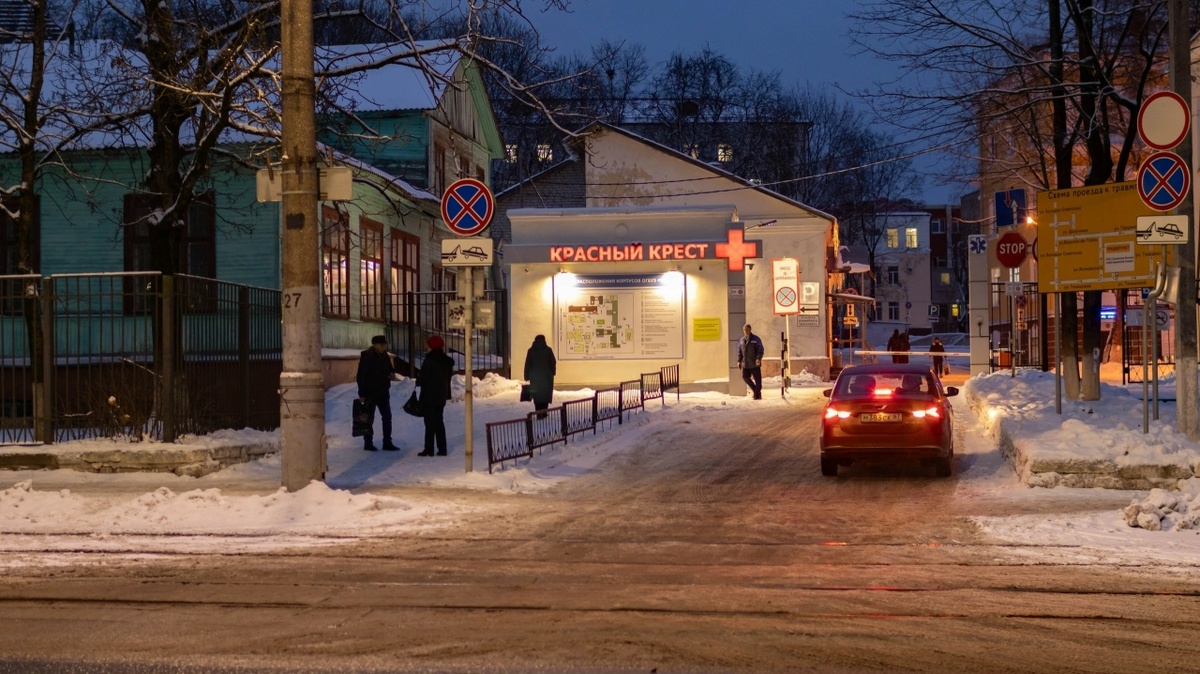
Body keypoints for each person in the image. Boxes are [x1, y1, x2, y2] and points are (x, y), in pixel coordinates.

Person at [356, 335, 397, 452]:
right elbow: (361, 376)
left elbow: (390, 369)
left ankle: (387, 442)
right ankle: (368, 442)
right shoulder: (367, 356)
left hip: (383, 391)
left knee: (387, 417)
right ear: (375, 345)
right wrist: (362, 393)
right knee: (369, 418)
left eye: (385, 344)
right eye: (381, 344)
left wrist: (391, 374)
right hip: (370, 392)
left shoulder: (385, 355)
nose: (384, 346)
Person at [416, 335, 454, 456]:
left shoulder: (429, 360)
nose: (426, 347)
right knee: (439, 422)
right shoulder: (446, 362)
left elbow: (422, 379)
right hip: (441, 396)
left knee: (429, 423)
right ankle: (442, 449)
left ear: (432, 346)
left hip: (429, 396)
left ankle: (429, 449)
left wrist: (418, 379)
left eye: (428, 345)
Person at [523, 334, 557, 417]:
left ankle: (538, 412)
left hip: (535, 377)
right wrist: (553, 372)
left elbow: (527, 364)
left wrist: (526, 375)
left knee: (537, 395)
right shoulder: (548, 350)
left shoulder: (531, 351)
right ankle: (544, 412)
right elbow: (553, 362)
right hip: (546, 377)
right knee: (545, 394)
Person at [737, 323, 764, 400]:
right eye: (744, 330)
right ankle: (757, 392)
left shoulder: (756, 339)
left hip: (754, 363)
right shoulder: (742, 340)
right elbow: (739, 351)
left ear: (750, 330)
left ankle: (756, 394)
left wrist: (758, 358)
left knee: (758, 380)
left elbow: (760, 350)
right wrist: (739, 361)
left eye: (747, 330)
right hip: (745, 364)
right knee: (745, 377)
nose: (746, 331)